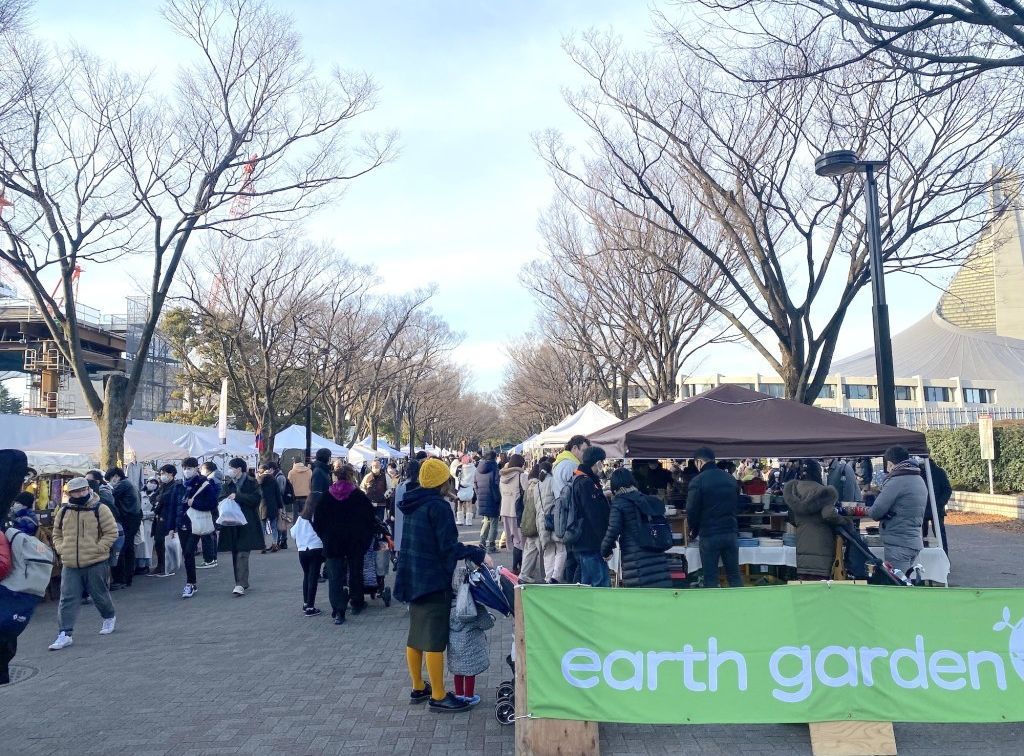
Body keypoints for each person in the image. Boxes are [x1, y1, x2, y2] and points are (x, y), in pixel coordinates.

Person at [395, 458, 488, 712]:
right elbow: (448, 547)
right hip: (432, 579)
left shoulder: (411, 502)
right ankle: (438, 694)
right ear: (442, 481)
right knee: (434, 638)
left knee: (415, 636)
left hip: (411, 576)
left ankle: (418, 686)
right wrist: (476, 553)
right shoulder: (438, 507)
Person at [48, 477, 118, 650]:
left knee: (99, 594)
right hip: (70, 562)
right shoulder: (63, 511)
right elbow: (56, 533)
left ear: (88, 489)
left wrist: (99, 548)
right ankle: (65, 633)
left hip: (95, 561)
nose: (79, 494)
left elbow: (111, 532)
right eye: (75, 491)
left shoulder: (100, 508)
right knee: (67, 598)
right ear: (69, 493)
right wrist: (61, 548)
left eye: (82, 490)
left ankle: (109, 616)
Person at [312, 465, 376, 625]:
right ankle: (356, 602)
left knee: (335, 577)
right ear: (350, 477)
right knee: (355, 572)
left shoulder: (326, 496)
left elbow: (317, 520)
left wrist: (324, 536)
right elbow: (370, 520)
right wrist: (365, 539)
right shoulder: (359, 496)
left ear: (335, 477)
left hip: (332, 542)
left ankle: (338, 609)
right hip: (355, 542)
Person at [600, 468, 672, 588]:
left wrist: (604, 550)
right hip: (656, 556)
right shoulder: (645, 499)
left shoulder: (619, 503)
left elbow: (613, 529)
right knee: (659, 595)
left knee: (640, 599)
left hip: (635, 558)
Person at [686, 446, 743, 588]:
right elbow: (738, 504)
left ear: (699, 462)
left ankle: (713, 608)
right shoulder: (730, 479)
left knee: (710, 577)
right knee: (734, 575)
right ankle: (742, 604)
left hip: (709, 533)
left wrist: (693, 529)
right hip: (730, 532)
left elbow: (691, 509)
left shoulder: (698, 481)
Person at [784, 460, 848, 581]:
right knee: (821, 586)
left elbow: (791, 517)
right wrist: (843, 520)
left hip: (802, 543)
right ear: (818, 473)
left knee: (805, 584)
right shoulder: (824, 491)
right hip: (822, 545)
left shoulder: (793, 491)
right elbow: (828, 514)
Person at [869, 446, 927, 574]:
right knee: (905, 580)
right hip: (913, 539)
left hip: (898, 543)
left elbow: (875, 511)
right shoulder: (918, 478)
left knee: (897, 583)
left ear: (890, 463)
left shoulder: (896, 481)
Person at [171, 456, 220, 599]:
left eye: (189, 468)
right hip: (182, 523)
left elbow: (212, 504)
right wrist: (172, 526)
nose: (186, 471)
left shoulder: (204, 484)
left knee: (188, 552)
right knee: (187, 554)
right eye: (185, 468)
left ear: (196, 468)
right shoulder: (179, 485)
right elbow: (174, 507)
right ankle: (191, 582)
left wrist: (195, 504)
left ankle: (190, 583)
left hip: (196, 524)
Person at [446, 562, 494, 707]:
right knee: (469, 672)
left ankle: (459, 694)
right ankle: (469, 696)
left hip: (455, 647)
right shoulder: (475, 606)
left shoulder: (447, 606)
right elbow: (486, 624)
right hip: (471, 646)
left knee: (458, 672)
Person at [217, 459, 263, 597]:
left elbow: (256, 499)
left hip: (247, 522)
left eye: (232, 467)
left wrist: (238, 497)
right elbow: (220, 498)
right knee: (235, 552)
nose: (230, 470)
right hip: (231, 523)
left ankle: (240, 584)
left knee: (243, 552)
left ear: (239, 469)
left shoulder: (252, 482)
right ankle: (240, 581)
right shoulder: (228, 483)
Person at [568, 446, 611, 587]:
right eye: (602, 462)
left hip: (585, 542)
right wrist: (606, 545)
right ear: (597, 462)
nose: (603, 465)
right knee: (599, 583)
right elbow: (594, 516)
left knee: (586, 583)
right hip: (591, 542)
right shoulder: (586, 483)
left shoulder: (580, 478)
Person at [550, 435, 590, 583]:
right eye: (583, 450)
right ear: (574, 448)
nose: (584, 454)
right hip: (571, 514)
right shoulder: (570, 465)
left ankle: (570, 584)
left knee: (570, 554)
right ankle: (573, 585)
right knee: (574, 556)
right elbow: (576, 489)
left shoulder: (560, 462)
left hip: (563, 513)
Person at [86, 470, 123, 590]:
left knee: (107, 560)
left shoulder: (102, 500)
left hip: (110, 533)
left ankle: (105, 585)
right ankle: (104, 585)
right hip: (112, 533)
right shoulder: (100, 500)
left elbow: (113, 518)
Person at [105, 468, 142, 589]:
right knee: (129, 547)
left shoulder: (122, 485)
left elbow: (110, 497)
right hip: (134, 518)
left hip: (128, 519)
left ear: (115, 476)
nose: (111, 482)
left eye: (110, 479)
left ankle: (120, 579)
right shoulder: (129, 483)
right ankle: (128, 577)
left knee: (121, 548)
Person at [291, 498, 325, 616]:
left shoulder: (301, 518)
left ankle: (306, 603)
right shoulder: (318, 517)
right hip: (316, 549)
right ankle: (310, 606)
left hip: (302, 551)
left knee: (306, 576)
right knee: (313, 577)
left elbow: (293, 534)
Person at [150, 465, 184, 577]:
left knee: (164, 542)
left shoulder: (175, 486)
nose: (162, 476)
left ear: (171, 474)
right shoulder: (163, 486)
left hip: (167, 517)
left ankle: (165, 565)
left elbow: (164, 498)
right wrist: (158, 498)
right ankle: (160, 565)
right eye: (161, 473)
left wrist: (159, 498)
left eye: (164, 473)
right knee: (158, 542)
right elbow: (153, 497)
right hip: (159, 517)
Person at [498, 454, 528, 574]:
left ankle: (516, 567)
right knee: (521, 540)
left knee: (515, 539)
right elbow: (527, 493)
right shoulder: (521, 476)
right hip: (517, 511)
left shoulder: (502, 477)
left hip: (505, 510)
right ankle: (518, 568)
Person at [535, 461, 564, 583]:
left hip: (541, 521)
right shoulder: (553, 481)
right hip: (554, 519)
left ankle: (548, 577)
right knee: (561, 549)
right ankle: (556, 576)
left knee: (548, 550)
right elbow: (559, 498)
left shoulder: (537, 485)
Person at [518, 462, 545, 583]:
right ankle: (546, 578)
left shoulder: (528, 486)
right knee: (544, 551)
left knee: (530, 550)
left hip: (528, 522)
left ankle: (524, 574)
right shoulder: (540, 486)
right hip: (537, 523)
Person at [921, 458, 952, 555]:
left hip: (930, 509)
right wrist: (940, 504)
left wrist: (939, 504)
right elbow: (947, 490)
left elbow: (947, 490)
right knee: (938, 536)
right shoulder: (938, 471)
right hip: (929, 509)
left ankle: (924, 558)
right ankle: (943, 558)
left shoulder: (937, 472)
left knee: (924, 536)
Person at [473, 451, 502, 553]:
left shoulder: (477, 468)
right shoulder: (494, 468)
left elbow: (475, 484)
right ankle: (491, 545)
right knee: (494, 522)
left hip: (482, 498)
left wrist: (479, 495)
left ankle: (482, 542)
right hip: (493, 499)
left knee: (486, 521)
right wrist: (498, 498)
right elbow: (496, 485)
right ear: (494, 458)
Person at [197, 462, 221, 568]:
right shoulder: (217, 479)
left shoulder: (210, 480)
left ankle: (209, 559)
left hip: (209, 510)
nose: (201, 471)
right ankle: (213, 558)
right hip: (214, 510)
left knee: (207, 535)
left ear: (207, 469)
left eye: (202, 468)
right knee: (212, 534)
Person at [257, 463, 284, 554]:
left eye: (259, 469)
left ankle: (262, 546)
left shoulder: (259, 479)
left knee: (262, 527)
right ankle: (275, 544)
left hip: (262, 505)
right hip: (273, 505)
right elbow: (278, 494)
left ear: (262, 470)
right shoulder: (273, 479)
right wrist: (280, 506)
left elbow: (256, 492)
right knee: (274, 526)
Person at [454, 455, 476, 526]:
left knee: (459, 504)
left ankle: (460, 520)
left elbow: (457, 475)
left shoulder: (460, 467)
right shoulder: (473, 468)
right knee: (469, 504)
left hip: (461, 487)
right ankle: (469, 521)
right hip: (470, 487)